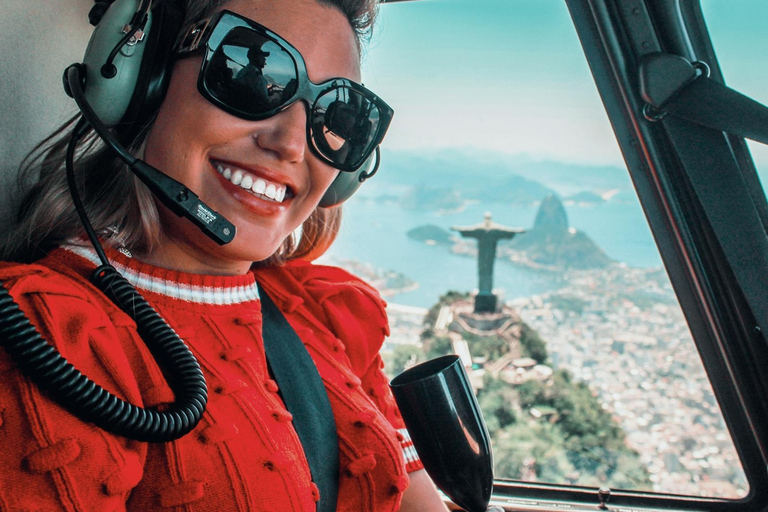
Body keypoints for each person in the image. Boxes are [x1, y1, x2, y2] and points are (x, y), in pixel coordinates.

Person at [0, 0, 450, 510]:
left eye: (338, 115)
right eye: (252, 77)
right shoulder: (47, 338)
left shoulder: (322, 315)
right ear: (145, 79)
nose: (291, 145)